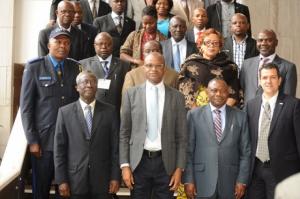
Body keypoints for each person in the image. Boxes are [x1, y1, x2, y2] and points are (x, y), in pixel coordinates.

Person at [20, 29, 82, 199]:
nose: (63, 46)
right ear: (48, 45)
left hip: (69, 140)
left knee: (66, 190)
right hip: (44, 141)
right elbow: (26, 108)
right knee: (41, 189)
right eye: (58, 42)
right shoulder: (34, 67)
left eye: (66, 43)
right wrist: (32, 140)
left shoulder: (75, 67)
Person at [119, 52, 187, 198]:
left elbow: (182, 137)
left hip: (166, 164)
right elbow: (124, 132)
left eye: (158, 66)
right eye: (149, 65)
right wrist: (125, 166)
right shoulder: (131, 94)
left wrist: (179, 169)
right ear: (143, 68)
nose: (153, 69)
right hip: (138, 163)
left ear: (164, 69)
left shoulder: (177, 97)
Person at [54, 71, 120, 199]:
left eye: (93, 82)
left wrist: (115, 177)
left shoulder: (110, 111)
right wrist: (61, 180)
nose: (89, 85)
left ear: (97, 86)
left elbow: (115, 148)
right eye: (85, 82)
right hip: (75, 180)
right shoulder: (64, 113)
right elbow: (59, 150)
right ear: (77, 87)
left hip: (103, 180)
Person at [183, 78, 251, 199]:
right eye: (214, 90)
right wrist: (188, 180)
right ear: (207, 92)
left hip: (231, 183)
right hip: (201, 181)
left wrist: (242, 180)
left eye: (222, 91)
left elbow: (245, 152)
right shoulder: (194, 115)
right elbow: (188, 151)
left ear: (228, 92)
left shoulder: (240, 116)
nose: (218, 94)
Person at [246, 63, 300, 199]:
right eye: (264, 78)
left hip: (282, 171)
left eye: (273, 77)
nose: (268, 81)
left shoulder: (293, 105)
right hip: (255, 170)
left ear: (279, 80)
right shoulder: (251, 105)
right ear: (259, 80)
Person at [178, 28, 239, 109]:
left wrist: (220, 112)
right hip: (196, 112)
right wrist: (198, 114)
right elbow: (185, 92)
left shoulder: (229, 67)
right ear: (201, 46)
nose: (211, 45)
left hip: (223, 112)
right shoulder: (190, 65)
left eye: (215, 43)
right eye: (207, 42)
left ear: (220, 47)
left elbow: (233, 93)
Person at [240, 29, 297, 104]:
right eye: (260, 40)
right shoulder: (246, 64)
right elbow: (242, 89)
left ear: (276, 42)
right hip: (249, 112)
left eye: (268, 40)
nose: (263, 43)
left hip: (275, 113)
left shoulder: (288, 67)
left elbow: (288, 98)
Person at [80, 32, 131, 114]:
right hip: (92, 112)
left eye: (108, 44)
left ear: (113, 46)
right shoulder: (83, 64)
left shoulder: (124, 65)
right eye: (100, 44)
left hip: (116, 112)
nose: (104, 47)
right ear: (94, 46)